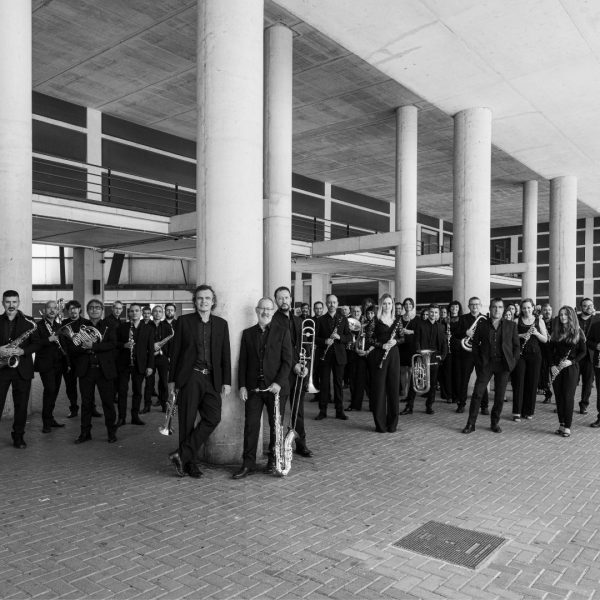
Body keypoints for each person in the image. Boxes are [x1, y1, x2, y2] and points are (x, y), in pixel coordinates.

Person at [168, 285, 231, 479]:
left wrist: (227, 381)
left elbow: (225, 355)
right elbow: (175, 353)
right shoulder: (184, 322)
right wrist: (172, 380)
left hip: (212, 378)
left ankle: (181, 454)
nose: (204, 301)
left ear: (213, 301)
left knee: (213, 417)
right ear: (195, 302)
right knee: (187, 421)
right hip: (190, 377)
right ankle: (190, 464)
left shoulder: (221, 324)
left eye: (207, 298)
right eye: (200, 298)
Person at [232, 297, 292, 479]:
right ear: (257, 311)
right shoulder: (248, 333)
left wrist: (278, 383)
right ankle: (247, 464)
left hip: (275, 389)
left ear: (273, 312)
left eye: (269, 309)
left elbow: (287, 361)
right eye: (262, 309)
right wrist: (242, 385)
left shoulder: (283, 331)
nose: (265, 312)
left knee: (276, 427)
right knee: (251, 426)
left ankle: (273, 461)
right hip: (253, 389)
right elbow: (242, 362)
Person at [462, 298, 520, 434]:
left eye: (500, 307)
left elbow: (516, 347)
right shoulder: (482, 324)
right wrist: (478, 361)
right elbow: (475, 344)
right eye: (494, 307)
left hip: (503, 365)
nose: (497, 310)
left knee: (499, 397)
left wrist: (513, 361)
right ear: (490, 309)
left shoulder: (511, 325)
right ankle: (471, 424)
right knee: (477, 393)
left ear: (503, 309)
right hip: (486, 364)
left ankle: (494, 423)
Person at [68, 299, 118, 444]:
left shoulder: (110, 326)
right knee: (86, 403)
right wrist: (84, 346)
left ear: (102, 310)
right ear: (87, 310)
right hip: (86, 371)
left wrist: (93, 345)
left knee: (108, 403)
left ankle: (111, 432)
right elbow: (73, 348)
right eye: (91, 308)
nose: (94, 310)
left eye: (97, 308)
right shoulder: (79, 326)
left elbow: (113, 345)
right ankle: (85, 433)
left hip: (104, 371)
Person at [272, 286, 313, 457]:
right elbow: (277, 350)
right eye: (280, 298)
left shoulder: (299, 321)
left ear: (291, 299)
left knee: (298, 411)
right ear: (276, 301)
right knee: (279, 412)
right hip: (283, 373)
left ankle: (300, 444)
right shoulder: (273, 322)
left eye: (286, 298)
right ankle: (277, 445)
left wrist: (305, 366)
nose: (284, 301)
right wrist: (295, 364)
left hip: (298, 373)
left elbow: (305, 346)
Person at [0, 290, 40, 449]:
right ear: (3, 302)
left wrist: (23, 351)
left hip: (21, 369)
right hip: (1, 369)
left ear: (19, 302)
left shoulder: (29, 322)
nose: (11, 305)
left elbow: (37, 343)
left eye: (14, 302)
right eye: (8, 302)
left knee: (21, 406)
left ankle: (18, 437)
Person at [365, 294, 403, 432]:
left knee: (393, 389)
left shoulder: (397, 320)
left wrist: (395, 341)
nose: (387, 306)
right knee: (379, 390)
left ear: (392, 305)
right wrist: (382, 345)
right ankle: (380, 424)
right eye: (385, 304)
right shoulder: (375, 320)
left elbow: (402, 338)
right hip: (379, 356)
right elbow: (369, 339)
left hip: (393, 356)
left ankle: (392, 424)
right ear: (381, 305)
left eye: (389, 303)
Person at [550, 306, 586, 438]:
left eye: (566, 314)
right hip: (557, 368)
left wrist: (572, 361)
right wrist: (552, 365)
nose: (563, 317)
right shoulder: (556, 332)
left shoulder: (578, 332)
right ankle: (561, 423)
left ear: (571, 316)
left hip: (571, 367)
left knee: (568, 397)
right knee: (559, 397)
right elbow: (550, 352)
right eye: (561, 315)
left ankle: (567, 427)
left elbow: (583, 352)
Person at [115, 303, 154, 426]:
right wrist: (124, 345)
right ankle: (121, 418)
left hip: (140, 365)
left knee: (137, 392)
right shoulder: (123, 327)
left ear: (140, 313)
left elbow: (151, 350)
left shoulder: (148, 328)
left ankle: (135, 416)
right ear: (129, 313)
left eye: (137, 311)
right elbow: (116, 343)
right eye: (132, 311)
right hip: (124, 364)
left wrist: (150, 366)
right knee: (122, 392)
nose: (134, 313)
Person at [315, 294, 351, 420]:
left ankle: (339, 411)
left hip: (339, 356)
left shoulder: (343, 319)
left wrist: (340, 338)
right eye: (329, 302)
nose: (332, 304)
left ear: (337, 303)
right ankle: (322, 411)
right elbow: (314, 338)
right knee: (324, 384)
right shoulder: (320, 320)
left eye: (334, 302)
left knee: (338, 384)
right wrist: (324, 341)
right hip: (324, 356)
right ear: (326, 303)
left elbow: (349, 337)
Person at [406, 304, 447, 414]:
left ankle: (429, 406)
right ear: (428, 312)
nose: (434, 314)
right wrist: (419, 355)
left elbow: (444, 343)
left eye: (436, 312)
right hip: (421, 357)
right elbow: (417, 341)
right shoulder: (420, 324)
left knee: (432, 383)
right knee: (414, 382)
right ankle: (409, 406)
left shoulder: (441, 327)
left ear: (438, 314)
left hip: (434, 358)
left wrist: (442, 356)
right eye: (432, 312)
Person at [511, 298, 548, 422]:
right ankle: (517, 411)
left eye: (529, 307)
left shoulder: (539, 321)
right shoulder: (516, 321)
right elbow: (510, 337)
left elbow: (545, 339)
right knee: (519, 382)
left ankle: (529, 411)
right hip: (520, 355)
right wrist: (521, 335)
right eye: (524, 308)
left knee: (532, 383)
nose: (526, 310)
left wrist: (536, 333)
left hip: (535, 355)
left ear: (533, 308)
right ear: (521, 309)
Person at [34, 300, 67, 432]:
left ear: (58, 311)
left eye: (55, 308)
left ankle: (50, 418)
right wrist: (48, 340)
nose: (52, 310)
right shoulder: (38, 326)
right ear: (45, 310)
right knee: (50, 390)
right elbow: (35, 344)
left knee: (54, 392)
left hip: (58, 364)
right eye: (49, 308)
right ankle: (46, 423)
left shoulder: (59, 326)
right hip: (45, 364)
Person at [454, 297, 488, 414]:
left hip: (480, 354)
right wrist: (465, 333)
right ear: (469, 306)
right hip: (467, 353)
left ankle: (484, 406)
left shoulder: (485, 319)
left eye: (477, 304)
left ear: (480, 305)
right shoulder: (463, 319)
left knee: (482, 379)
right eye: (472, 304)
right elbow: (456, 335)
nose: (475, 306)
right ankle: (461, 404)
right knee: (464, 380)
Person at [141, 305, 173, 413]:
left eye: (160, 311)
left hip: (162, 357)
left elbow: (170, 343)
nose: (158, 313)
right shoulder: (145, 325)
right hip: (150, 358)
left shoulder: (167, 326)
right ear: (152, 313)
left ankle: (164, 405)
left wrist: (164, 353)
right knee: (149, 382)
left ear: (162, 314)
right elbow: (142, 342)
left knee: (164, 382)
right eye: (155, 311)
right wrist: (152, 346)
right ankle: (147, 406)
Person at [348, 305, 374, 411]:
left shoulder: (367, 322)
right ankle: (355, 404)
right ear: (351, 312)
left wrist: (367, 351)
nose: (356, 313)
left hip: (367, 354)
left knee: (368, 381)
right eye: (354, 311)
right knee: (354, 380)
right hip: (353, 354)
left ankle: (373, 404)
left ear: (361, 312)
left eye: (358, 311)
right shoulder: (348, 323)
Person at [62, 300, 83, 418]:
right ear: (68, 311)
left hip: (83, 359)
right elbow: (62, 342)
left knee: (87, 386)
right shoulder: (64, 324)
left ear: (79, 309)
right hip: (68, 360)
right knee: (70, 387)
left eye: (75, 308)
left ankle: (92, 408)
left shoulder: (86, 322)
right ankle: (73, 408)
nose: (73, 310)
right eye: (70, 309)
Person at [438, 300, 462, 404]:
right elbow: (440, 334)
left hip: (457, 349)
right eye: (452, 307)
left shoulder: (462, 320)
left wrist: (454, 337)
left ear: (459, 308)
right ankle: (449, 395)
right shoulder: (445, 321)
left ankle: (457, 395)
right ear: (449, 308)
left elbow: (463, 334)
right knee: (447, 373)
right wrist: (445, 336)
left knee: (457, 373)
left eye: (456, 307)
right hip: (447, 349)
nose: (454, 309)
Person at [577, 298, 598, 415]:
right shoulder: (575, 319)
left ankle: (584, 405)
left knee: (588, 382)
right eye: (585, 306)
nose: (588, 307)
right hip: (576, 355)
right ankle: (565, 403)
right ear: (581, 307)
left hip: (589, 356)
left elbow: (596, 341)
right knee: (571, 382)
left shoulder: (596, 320)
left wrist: (588, 343)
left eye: (590, 305)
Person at [539, 303, 554, 403]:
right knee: (544, 376)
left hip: (554, 353)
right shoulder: (539, 322)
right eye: (545, 310)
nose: (547, 311)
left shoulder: (556, 322)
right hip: (543, 352)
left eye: (549, 309)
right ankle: (547, 394)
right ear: (542, 312)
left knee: (555, 376)